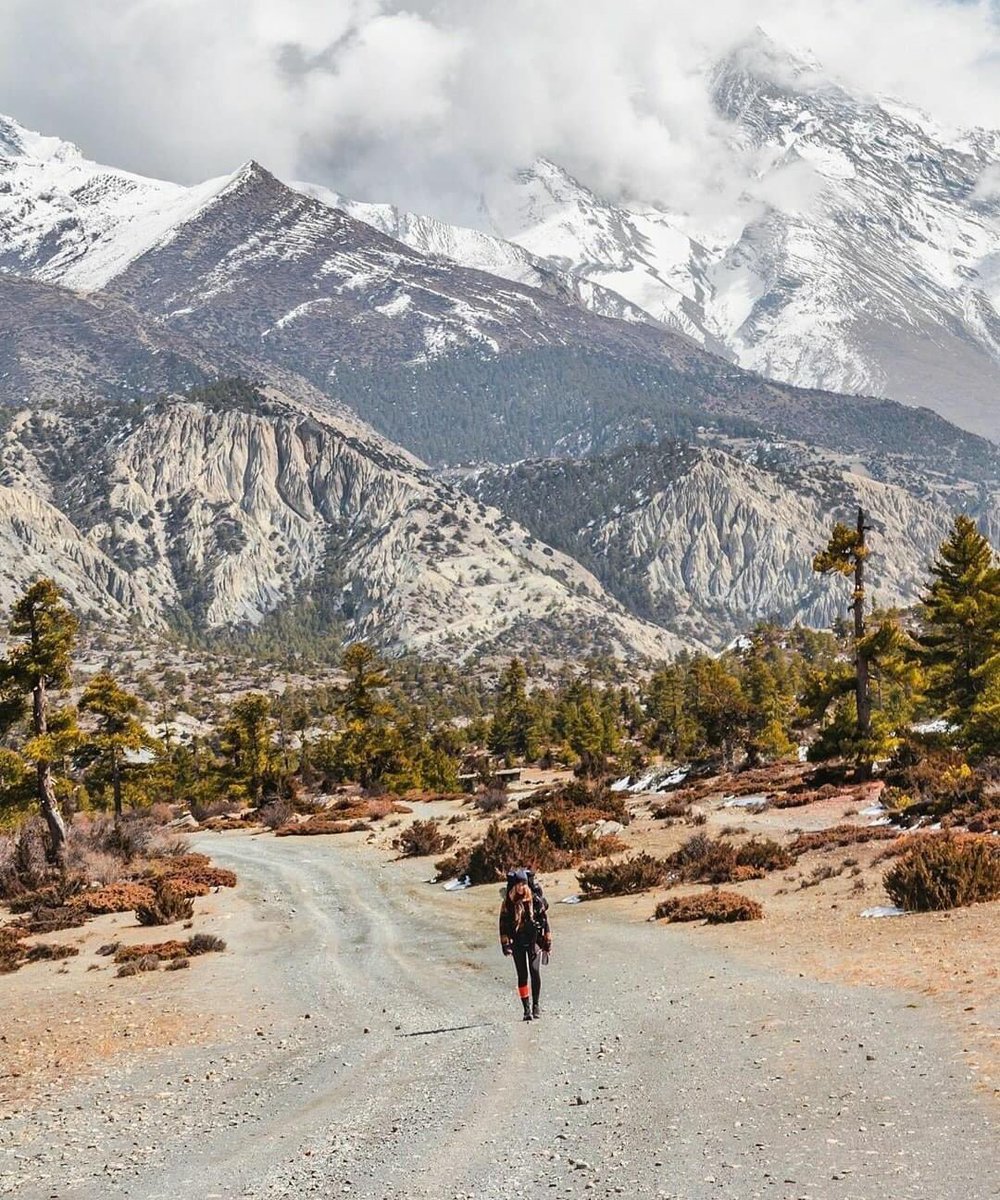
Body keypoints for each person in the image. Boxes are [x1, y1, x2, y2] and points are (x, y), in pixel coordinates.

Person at [498, 869, 552, 1021]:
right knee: (522, 975)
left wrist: (547, 942)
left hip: (534, 941)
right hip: (517, 942)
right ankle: (526, 1009)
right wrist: (505, 944)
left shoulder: (535, 900)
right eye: (519, 884)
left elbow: (545, 921)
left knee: (535, 971)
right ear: (514, 885)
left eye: (524, 883)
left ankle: (536, 1005)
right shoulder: (508, 902)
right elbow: (502, 924)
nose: (522, 887)